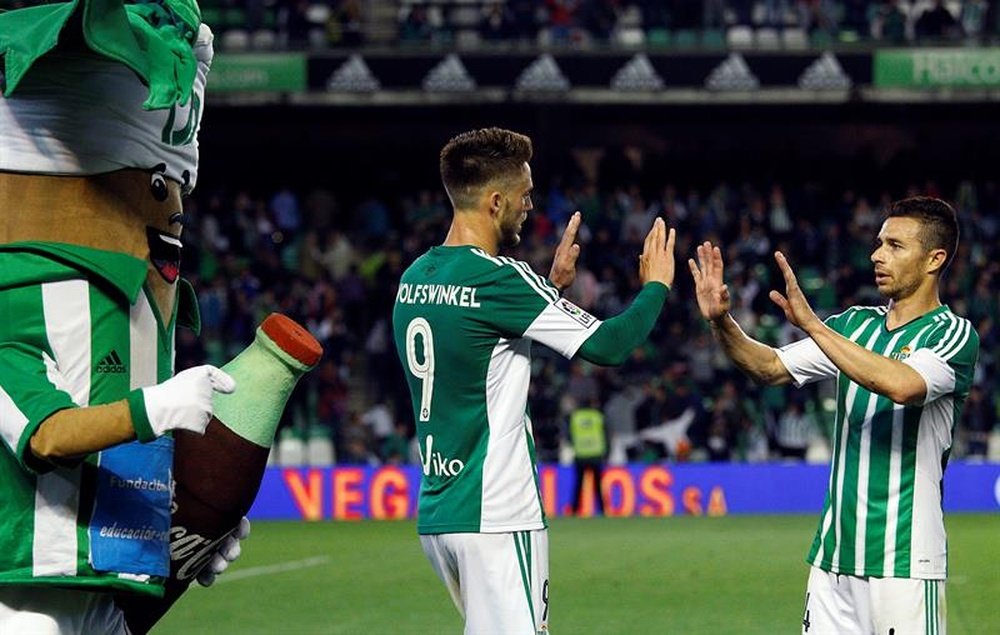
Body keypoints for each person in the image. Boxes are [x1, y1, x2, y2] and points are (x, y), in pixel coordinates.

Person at [0, 2, 274, 631]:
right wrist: (157, 407)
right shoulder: (14, 299)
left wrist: (187, 524)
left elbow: (117, 452)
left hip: (105, 592)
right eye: (154, 190)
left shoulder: (143, 307)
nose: (174, 214)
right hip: (21, 598)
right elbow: (45, 435)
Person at [392, 127, 676, 634]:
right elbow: (609, 345)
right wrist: (656, 286)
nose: (530, 205)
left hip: (440, 515)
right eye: (524, 195)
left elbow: (477, 339)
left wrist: (549, 289)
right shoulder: (501, 279)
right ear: (496, 201)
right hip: (499, 513)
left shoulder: (416, 277)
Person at [689, 196, 979, 634]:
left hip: (902, 562)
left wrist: (816, 326)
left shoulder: (952, 335)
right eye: (879, 243)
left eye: (896, 246)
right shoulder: (855, 326)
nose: (877, 255)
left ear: (934, 259)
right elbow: (768, 367)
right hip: (833, 562)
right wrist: (722, 321)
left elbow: (901, 384)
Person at [568, 397, 608, 516]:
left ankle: (574, 510)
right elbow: (606, 433)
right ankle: (602, 510)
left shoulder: (575, 417)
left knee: (578, 484)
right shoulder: (597, 416)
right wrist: (606, 451)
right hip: (596, 454)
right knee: (598, 485)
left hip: (580, 454)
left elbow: (569, 435)